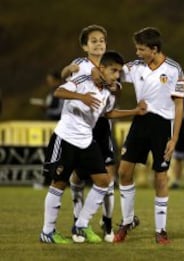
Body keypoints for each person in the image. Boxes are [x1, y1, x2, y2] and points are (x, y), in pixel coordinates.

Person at [39, 51, 147, 244]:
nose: (116, 76)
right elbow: (59, 92)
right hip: (65, 138)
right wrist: (81, 97)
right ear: (101, 68)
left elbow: (108, 113)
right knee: (59, 183)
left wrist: (134, 111)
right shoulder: (82, 80)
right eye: (113, 71)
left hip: (86, 142)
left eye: (119, 72)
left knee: (104, 181)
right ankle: (47, 232)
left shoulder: (107, 92)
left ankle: (81, 224)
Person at [113, 27, 184, 245]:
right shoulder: (135, 67)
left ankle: (160, 230)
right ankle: (127, 221)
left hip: (163, 126)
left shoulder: (173, 69)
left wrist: (175, 138)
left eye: (141, 49)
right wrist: (111, 82)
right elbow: (111, 72)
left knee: (160, 177)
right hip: (140, 122)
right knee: (124, 171)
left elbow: (179, 104)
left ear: (154, 49)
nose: (137, 52)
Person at [61, 24, 127, 243]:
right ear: (84, 46)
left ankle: (107, 223)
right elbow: (65, 77)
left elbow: (116, 89)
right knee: (77, 177)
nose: (99, 44)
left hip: (101, 126)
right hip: (80, 126)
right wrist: (67, 70)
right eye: (94, 41)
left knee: (108, 178)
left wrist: (115, 86)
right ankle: (78, 223)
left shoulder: (110, 64)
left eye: (102, 40)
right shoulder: (80, 64)